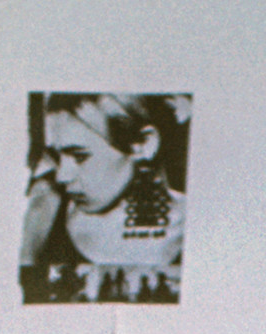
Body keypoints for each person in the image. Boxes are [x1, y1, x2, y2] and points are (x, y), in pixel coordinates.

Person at [20, 93, 187, 305]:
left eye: (80, 156)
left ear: (143, 145)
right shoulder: (44, 218)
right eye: (56, 157)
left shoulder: (196, 223)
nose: (62, 176)